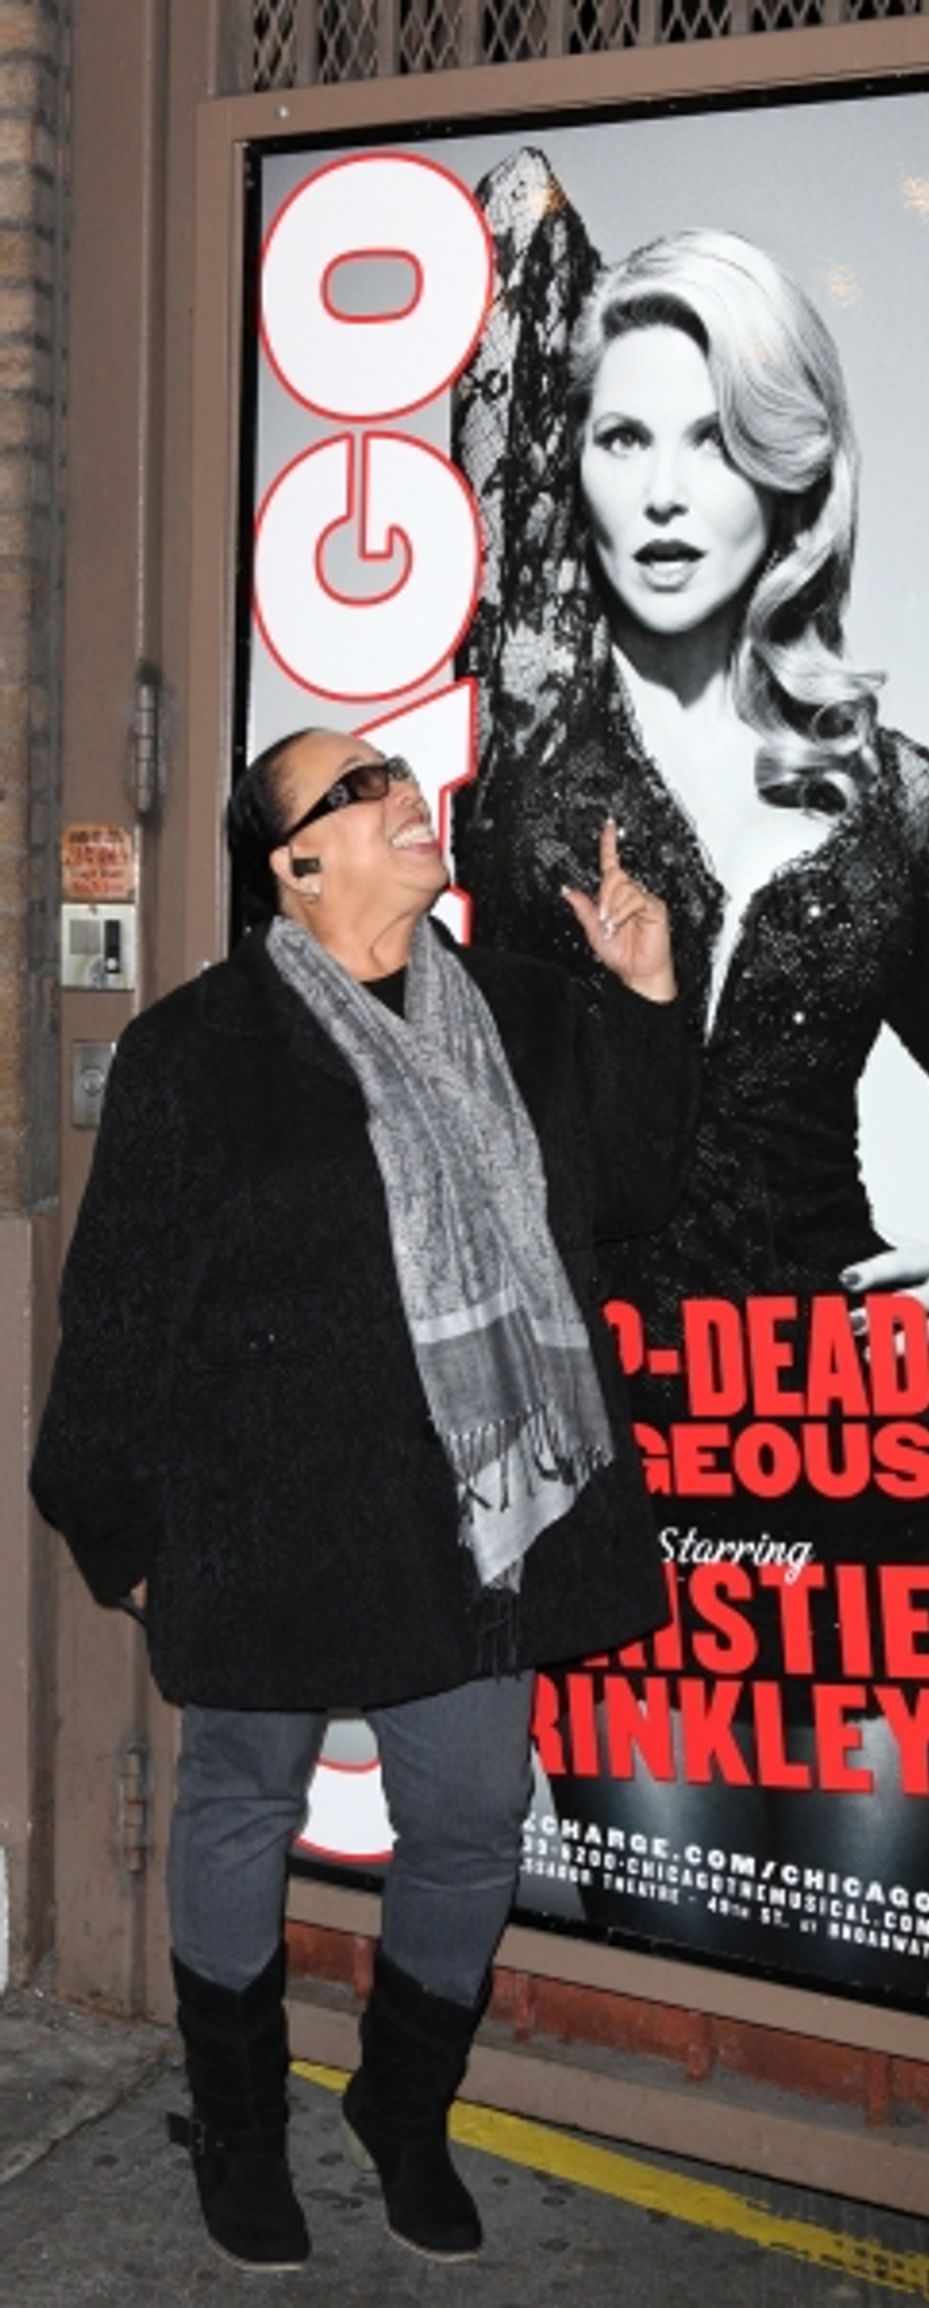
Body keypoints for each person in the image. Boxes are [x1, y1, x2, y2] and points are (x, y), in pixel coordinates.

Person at [453, 150, 929, 2000]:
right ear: (578, 472)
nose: (669, 486)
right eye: (623, 438)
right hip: (637, 1455)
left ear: (790, 468)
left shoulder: (895, 797)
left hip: (862, 1457)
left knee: (858, 1960)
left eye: (716, 434)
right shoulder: (530, 783)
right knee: (678, 1948)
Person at [30, 727, 694, 2271]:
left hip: (475, 1521)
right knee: (240, 1803)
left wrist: (649, 999)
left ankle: (403, 2111)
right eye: (358, 787)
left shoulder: (522, 1012)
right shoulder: (199, 1050)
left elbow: (639, 1199)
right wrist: (125, 1541)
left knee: (469, 1818)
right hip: (263, 1518)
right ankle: (242, 2129)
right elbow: (118, 1313)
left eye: (401, 770)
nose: (404, 793)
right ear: (294, 865)